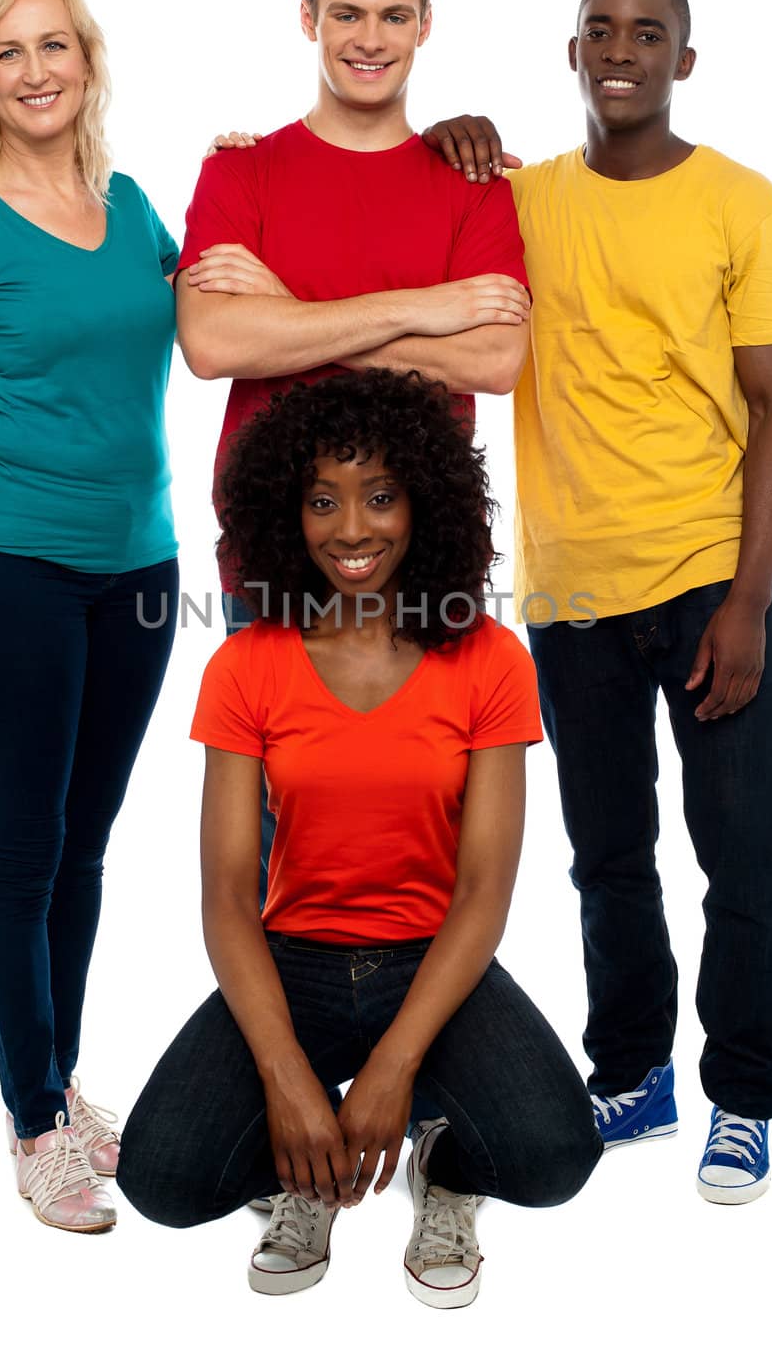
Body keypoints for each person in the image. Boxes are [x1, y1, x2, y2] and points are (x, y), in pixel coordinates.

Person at [423, 0, 772, 1204]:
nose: (622, 49)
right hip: (571, 591)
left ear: (683, 62)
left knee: (747, 855)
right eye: (600, 29)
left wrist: (749, 600)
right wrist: (446, 140)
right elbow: (424, 195)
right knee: (609, 856)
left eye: (649, 34)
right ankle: (634, 1071)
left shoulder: (742, 204)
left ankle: (744, 1097)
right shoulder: (529, 200)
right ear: (572, 51)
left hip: (707, 577)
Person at [117, 368, 600, 1306]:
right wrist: (289, 1079)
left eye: (381, 497)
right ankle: (305, 1170)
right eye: (323, 500)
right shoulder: (247, 664)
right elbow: (225, 891)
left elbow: (484, 891)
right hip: (293, 959)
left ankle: (444, 1166)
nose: (353, 528)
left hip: (433, 959)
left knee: (553, 1158)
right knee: (162, 1181)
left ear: (424, 502)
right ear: (285, 515)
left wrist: (391, 1071)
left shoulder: (488, 658)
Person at [0, 0, 181, 1232]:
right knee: (21, 848)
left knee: (87, 840)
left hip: (142, 565)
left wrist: (250, 169)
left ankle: (62, 1083)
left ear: (87, 59)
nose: (33, 71)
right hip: (14, 565)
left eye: (53, 45)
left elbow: (217, 315)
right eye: (7, 52)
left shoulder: (131, 208)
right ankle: (33, 1119)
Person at [175, 0, 530, 885]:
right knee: (268, 872)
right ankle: (277, 1043)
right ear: (308, 18)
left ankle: (408, 1041)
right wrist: (428, 310)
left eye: (391, 15)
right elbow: (211, 341)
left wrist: (292, 313)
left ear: (424, 26)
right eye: (346, 13)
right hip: (275, 557)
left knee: (425, 867)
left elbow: (497, 357)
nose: (368, 37)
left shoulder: (475, 187)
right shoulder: (239, 170)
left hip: (425, 561)